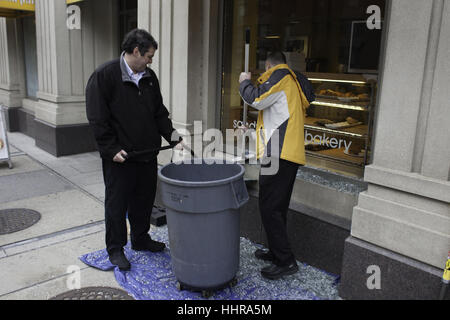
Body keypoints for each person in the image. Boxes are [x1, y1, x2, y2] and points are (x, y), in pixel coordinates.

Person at [86, 29, 180, 271]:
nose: (150, 61)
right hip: (120, 158)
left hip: (147, 154)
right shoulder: (104, 75)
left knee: (144, 200)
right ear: (136, 51)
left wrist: (174, 136)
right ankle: (116, 248)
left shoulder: (149, 77)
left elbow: (159, 112)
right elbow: (98, 118)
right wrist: (110, 149)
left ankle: (140, 238)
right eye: (148, 56)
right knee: (117, 205)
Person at [239, 51, 314, 280]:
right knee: (276, 207)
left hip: (278, 154)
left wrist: (244, 82)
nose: (264, 76)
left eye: (265, 71)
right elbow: (275, 119)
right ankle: (276, 251)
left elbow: (256, 98)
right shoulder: (290, 84)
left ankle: (285, 260)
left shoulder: (281, 75)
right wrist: (251, 132)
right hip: (283, 153)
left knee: (270, 207)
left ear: (269, 65)